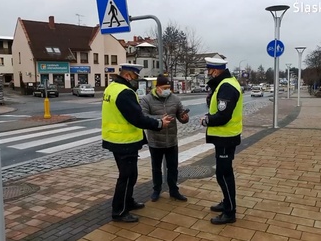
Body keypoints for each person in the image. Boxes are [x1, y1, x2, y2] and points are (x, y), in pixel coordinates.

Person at [101, 63, 174, 223]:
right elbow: (137, 118)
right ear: (128, 76)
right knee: (126, 177)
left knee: (131, 175)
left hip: (115, 139)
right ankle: (119, 211)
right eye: (135, 77)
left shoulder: (111, 88)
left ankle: (129, 201)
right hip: (124, 141)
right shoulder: (124, 92)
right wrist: (159, 124)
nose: (136, 81)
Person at [200, 57, 243, 225]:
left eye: (209, 71)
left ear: (215, 71)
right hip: (224, 136)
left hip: (226, 137)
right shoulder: (224, 84)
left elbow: (223, 115)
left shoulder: (227, 87)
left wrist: (206, 120)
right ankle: (226, 202)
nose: (209, 74)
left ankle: (230, 211)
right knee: (222, 173)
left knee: (224, 174)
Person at [140, 74, 190, 202]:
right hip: (155, 141)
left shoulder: (175, 99)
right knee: (156, 168)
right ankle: (156, 190)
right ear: (157, 87)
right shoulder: (146, 99)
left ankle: (174, 190)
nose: (167, 90)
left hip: (171, 140)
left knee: (173, 167)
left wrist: (184, 118)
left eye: (169, 87)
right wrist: (160, 120)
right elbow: (143, 117)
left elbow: (181, 114)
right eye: (164, 87)